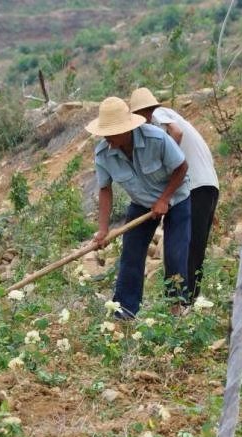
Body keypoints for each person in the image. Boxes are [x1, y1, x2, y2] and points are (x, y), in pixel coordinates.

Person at [85, 96, 191, 319]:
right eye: (104, 132)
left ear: (126, 129)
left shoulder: (157, 139)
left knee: (175, 255)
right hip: (142, 203)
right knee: (131, 255)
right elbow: (105, 190)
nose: (106, 137)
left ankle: (177, 310)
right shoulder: (103, 153)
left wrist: (164, 199)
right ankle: (125, 311)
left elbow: (181, 167)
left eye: (111, 132)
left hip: (176, 199)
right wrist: (103, 230)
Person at [129, 87, 220, 301]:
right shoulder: (167, 115)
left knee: (184, 248)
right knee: (194, 247)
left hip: (194, 183)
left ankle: (180, 303)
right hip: (208, 183)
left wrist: (169, 165)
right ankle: (189, 302)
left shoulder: (157, 117)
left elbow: (176, 133)